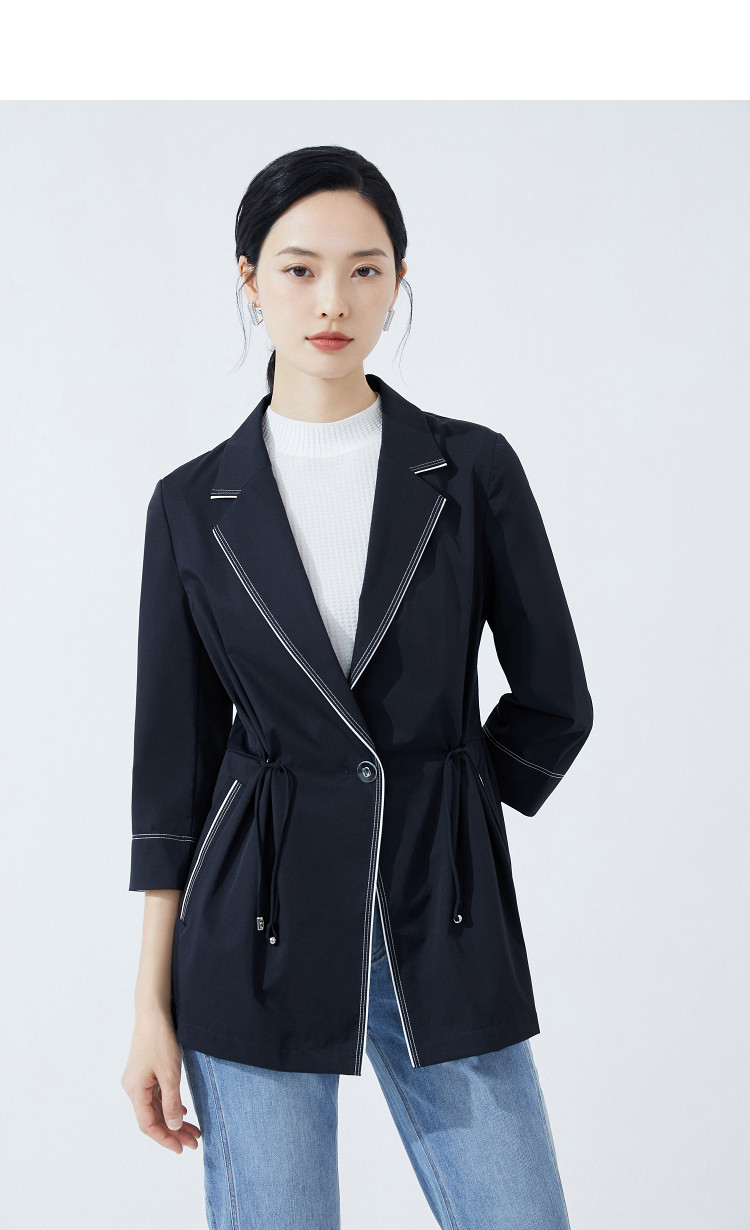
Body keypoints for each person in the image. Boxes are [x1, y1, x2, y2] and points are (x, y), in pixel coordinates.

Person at [121, 145, 594, 1229]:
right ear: (250, 279)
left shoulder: (470, 471)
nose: (332, 300)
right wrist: (149, 1004)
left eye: (364, 269)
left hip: (440, 912)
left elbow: (556, 698)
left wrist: (455, 809)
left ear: (398, 280)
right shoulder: (191, 505)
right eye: (298, 269)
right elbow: (171, 773)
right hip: (252, 924)